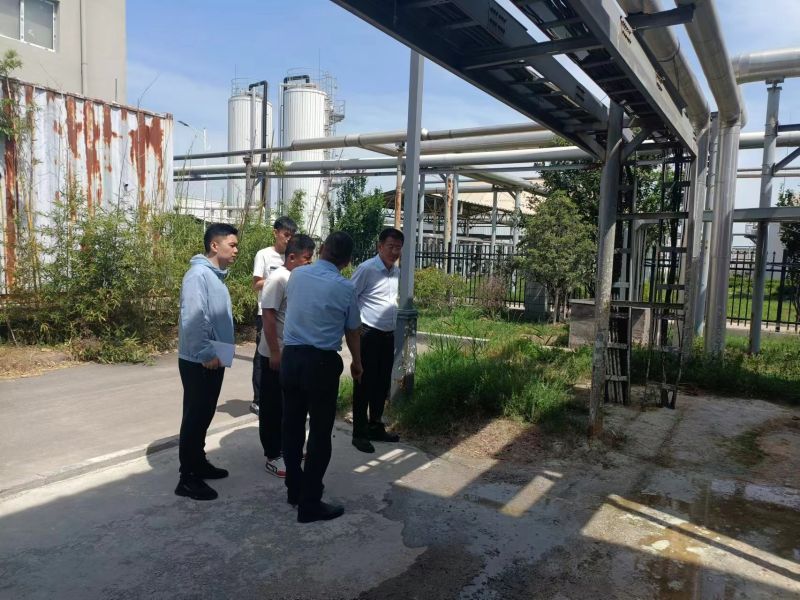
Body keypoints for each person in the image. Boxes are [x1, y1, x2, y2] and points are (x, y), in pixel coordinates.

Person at [281, 231, 363, 523]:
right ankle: (310, 502)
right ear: (348, 261)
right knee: (319, 432)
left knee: (291, 427)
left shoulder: (297, 276)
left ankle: (294, 489)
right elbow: (353, 330)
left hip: (291, 359)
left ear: (323, 248)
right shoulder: (345, 288)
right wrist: (357, 363)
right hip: (321, 364)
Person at [175, 223, 239, 501]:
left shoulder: (215, 276)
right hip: (200, 360)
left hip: (214, 357)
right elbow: (193, 317)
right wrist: (204, 353)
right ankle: (187, 478)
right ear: (215, 245)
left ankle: (198, 462)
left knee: (204, 414)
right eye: (232, 245)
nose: (236, 250)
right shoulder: (197, 275)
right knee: (195, 416)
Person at [257, 234, 316, 478]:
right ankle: (273, 454)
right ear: (291, 257)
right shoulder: (278, 278)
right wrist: (274, 351)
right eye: (306, 259)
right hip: (275, 353)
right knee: (272, 406)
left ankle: (287, 447)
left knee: (288, 405)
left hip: (291, 353)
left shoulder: (297, 278)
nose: (310, 263)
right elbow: (268, 316)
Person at [350, 228, 404, 454]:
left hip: (388, 335)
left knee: (382, 384)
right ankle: (359, 433)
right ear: (379, 246)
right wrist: (355, 326)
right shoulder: (367, 269)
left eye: (398, 248)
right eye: (390, 246)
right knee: (364, 383)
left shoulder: (397, 272)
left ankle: (375, 426)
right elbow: (350, 296)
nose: (394, 252)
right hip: (368, 334)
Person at [250, 216, 297, 415]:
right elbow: (256, 283)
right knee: (263, 355)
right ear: (275, 233)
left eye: (291, 236)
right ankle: (258, 399)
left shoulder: (293, 256)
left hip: (286, 314)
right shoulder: (264, 255)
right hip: (266, 312)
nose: (288, 239)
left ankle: (279, 396)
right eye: (286, 235)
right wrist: (277, 280)